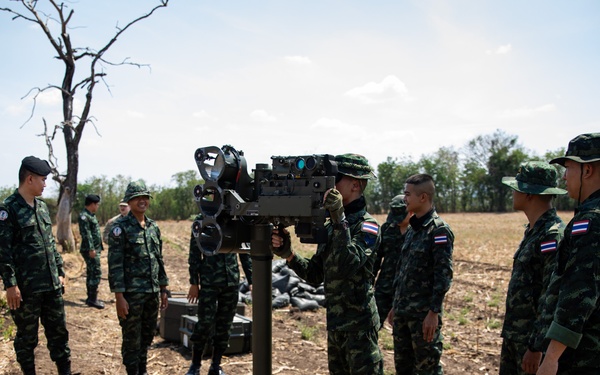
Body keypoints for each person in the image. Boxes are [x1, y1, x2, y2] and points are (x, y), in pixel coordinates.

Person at [271, 153, 384, 375]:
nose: (329, 184)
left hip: (359, 328)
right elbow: (315, 274)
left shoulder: (367, 226)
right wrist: (289, 254)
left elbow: (347, 264)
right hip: (336, 326)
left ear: (355, 184)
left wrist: (339, 218)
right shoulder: (332, 226)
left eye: (336, 178)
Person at [0, 156, 72, 375]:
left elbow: (49, 242)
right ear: (29, 179)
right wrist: (11, 285)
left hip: (51, 285)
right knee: (27, 338)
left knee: (59, 333)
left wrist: (60, 271)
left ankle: (65, 371)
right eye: (42, 179)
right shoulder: (8, 210)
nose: (45, 184)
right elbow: (3, 251)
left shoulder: (41, 207)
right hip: (27, 289)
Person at [536, 133, 600, 375]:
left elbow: (580, 292)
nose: (564, 176)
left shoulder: (591, 221)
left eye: (569, 168)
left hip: (584, 356)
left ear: (588, 171)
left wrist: (552, 357)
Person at [500, 161, 566, 375]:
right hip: (515, 335)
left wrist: (536, 347)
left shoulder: (551, 235)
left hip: (530, 344)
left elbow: (550, 295)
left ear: (529, 194)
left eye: (516, 188)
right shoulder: (534, 231)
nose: (512, 193)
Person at [390, 173, 453, 375]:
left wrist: (433, 313)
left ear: (423, 197)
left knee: (427, 369)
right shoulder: (412, 229)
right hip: (403, 313)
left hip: (423, 317)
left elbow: (443, 274)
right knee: (404, 368)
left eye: (408, 194)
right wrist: (395, 305)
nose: (404, 199)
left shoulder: (439, 231)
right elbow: (403, 269)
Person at [108, 181, 169, 375]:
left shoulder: (153, 227)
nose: (142, 201)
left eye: (145, 197)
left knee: (147, 336)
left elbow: (158, 259)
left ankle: (142, 370)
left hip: (151, 293)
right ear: (129, 200)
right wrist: (119, 297)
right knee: (131, 339)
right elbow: (115, 265)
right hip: (132, 295)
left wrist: (163, 289)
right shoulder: (120, 228)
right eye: (137, 198)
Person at [185, 213, 253, 375]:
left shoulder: (236, 219)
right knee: (204, 323)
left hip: (230, 281)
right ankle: (195, 365)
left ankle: (216, 365)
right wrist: (194, 282)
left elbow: (244, 250)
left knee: (225, 326)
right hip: (209, 281)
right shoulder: (202, 221)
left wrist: (251, 279)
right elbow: (194, 253)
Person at [373, 194, 412, 330]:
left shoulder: (419, 232)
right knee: (372, 325)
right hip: (385, 287)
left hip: (407, 292)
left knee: (402, 332)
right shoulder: (386, 229)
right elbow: (376, 259)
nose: (397, 221)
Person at [78, 193, 105, 309]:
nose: (98, 207)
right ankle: (92, 299)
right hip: (90, 250)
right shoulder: (84, 216)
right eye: (97, 204)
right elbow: (86, 234)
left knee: (92, 272)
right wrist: (91, 249)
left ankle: (91, 298)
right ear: (92, 204)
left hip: (95, 248)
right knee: (95, 272)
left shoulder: (91, 215)